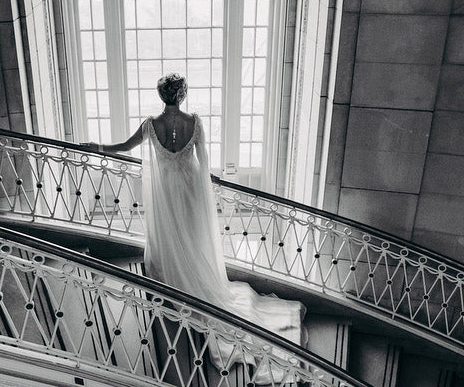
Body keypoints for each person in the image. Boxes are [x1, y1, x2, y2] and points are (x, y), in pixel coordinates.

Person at [82, 74, 304, 349]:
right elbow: (203, 159)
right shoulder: (195, 123)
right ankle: (196, 280)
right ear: (183, 95)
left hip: (166, 190)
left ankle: (175, 281)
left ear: (161, 95)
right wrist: (209, 179)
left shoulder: (151, 125)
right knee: (193, 235)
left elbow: (126, 147)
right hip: (190, 188)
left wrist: (98, 148)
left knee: (170, 235)